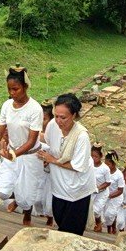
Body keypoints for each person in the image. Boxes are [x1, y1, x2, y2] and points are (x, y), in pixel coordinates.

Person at [0, 64, 44, 225]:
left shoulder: (35, 109)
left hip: (29, 156)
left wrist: (15, 154)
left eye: (15, 89)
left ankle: (26, 213)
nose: (11, 93)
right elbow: (0, 130)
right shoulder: (6, 106)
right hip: (11, 154)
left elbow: (31, 141)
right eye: (9, 89)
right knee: (2, 192)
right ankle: (16, 195)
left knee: (27, 198)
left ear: (25, 87)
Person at [38, 93, 96, 236]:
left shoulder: (81, 136)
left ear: (74, 115)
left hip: (76, 192)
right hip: (58, 188)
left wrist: (52, 160)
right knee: (60, 223)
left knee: (71, 233)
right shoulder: (53, 125)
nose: (58, 121)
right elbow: (48, 142)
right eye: (56, 116)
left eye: (63, 117)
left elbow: (77, 166)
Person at [33, 99, 54, 226]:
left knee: (49, 201)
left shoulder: (55, 135)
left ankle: (50, 219)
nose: (41, 122)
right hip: (39, 171)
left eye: (44, 118)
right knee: (37, 199)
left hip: (52, 172)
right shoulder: (35, 134)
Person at [91, 143, 111, 233]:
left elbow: (108, 182)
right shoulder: (89, 164)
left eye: (96, 156)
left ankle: (98, 224)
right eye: (92, 156)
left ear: (101, 156)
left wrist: (99, 188)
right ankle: (96, 222)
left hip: (102, 192)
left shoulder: (105, 168)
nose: (94, 158)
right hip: (91, 190)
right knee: (90, 209)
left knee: (96, 210)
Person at [104, 150, 124, 234]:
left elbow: (120, 190)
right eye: (105, 164)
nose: (106, 166)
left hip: (116, 197)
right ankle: (109, 229)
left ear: (114, 164)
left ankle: (113, 227)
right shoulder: (105, 171)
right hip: (106, 196)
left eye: (108, 164)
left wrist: (110, 195)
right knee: (107, 215)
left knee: (110, 214)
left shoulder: (119, 174)